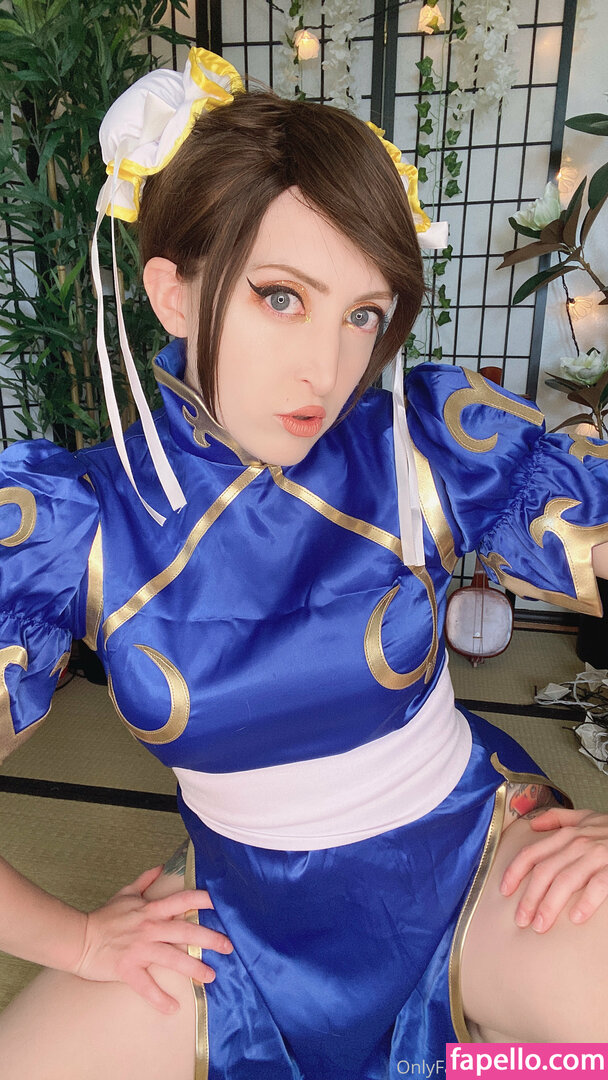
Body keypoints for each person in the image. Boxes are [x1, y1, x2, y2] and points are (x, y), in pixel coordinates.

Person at [1, 45, 608, 1080]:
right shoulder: (73, 523)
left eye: (362, 314)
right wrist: (83, 941)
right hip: (233, 930)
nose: (326, 368)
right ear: (174, 292)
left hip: (475, 871)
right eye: (281, 296)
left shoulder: (425, 444)